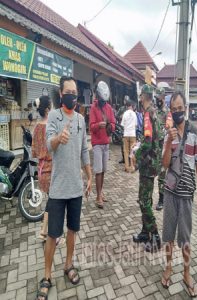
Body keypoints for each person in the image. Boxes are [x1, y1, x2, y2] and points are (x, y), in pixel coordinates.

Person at [36, 76, 92, 300]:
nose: (72, 95)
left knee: (72, 231)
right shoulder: (54, 117)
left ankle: (68, 265)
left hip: (76, 188)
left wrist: (89, 175)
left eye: (74, 91)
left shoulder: (80, 119)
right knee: (52, 234)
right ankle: (47, 276)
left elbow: (84, 150)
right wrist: (60, 137)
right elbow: (49, 145)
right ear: (61, 95)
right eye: (67, 91)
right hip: (58, 188)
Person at [161, 91, 197, 296]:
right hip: (170, 192)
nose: (178, 111)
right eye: (174, 109)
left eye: (180, 108)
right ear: (170, 110)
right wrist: (169, 142)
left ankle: (187, 273)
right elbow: (165, 164)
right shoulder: (168, 133)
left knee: (185, 237)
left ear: (185, 108)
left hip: (187, 193)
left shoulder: (194, 132)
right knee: (169, 235)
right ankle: (169, 267)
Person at [32, 96, 65, 246]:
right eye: (51, 106)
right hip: (53, 170)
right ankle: (52, 234)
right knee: (55, 204)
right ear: (47, 109)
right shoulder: (52, 127)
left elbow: (34, 151)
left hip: (42, 170)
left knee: (51, 202)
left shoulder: (37, 127)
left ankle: (43, 231)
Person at [133, 84, 161, 253]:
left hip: (148, 164)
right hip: (153, 163)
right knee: (147, 199)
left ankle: (156, 237)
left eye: (141, 95)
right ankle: (145, 232)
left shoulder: (148, 113)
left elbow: (149, 140)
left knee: (144, 201)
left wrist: (136, 155)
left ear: (143, 96)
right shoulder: (155, 112)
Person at [89, 81, 115, 208]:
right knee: (98, 171)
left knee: (103, 170)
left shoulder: (109, 108)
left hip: (106, 143)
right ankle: (98, 196)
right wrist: (98, 125)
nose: (103, 102)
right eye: (101, 99)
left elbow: (114, 124)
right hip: (97, 143)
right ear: (98, 96)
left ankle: (101, 192)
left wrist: (110, 126)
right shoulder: (93, 108)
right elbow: (91, 127)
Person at [155, 87, 169, 211]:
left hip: (164, 148)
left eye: (159, 97)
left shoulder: (167, 112)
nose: (157, 99)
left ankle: (161, 199)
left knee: (162, 175)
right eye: (156, 97)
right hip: (154, 148)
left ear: (163, 97)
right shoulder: (153, 110)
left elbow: (169, 128)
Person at [121, 100, 137, 172]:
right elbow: (136, 125)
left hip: (126, 134)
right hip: (133, 134)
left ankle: (127, 167)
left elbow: (122, 125)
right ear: (131, 106)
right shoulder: (134, 114)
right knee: (132, 151)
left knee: (126, 151)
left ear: (127, 106)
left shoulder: (125, 114)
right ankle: (132, 166)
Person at [117, 95, 129, 164]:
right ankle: (124, 158)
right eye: (125, 100)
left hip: (129, 129)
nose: (126, 102)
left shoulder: (130, 109)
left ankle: (129, 159)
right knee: (122, 144)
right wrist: (121, 116)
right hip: (123, 129)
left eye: (127, 100)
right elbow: (116, 115)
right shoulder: (122, 109)